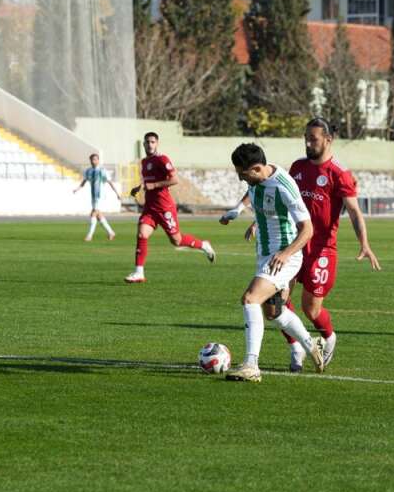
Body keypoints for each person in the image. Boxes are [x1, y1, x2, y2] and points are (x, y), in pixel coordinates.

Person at [222, 117, 381, 372]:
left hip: (316, 247)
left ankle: (317, 341)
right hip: (283, 248)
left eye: (313, 138)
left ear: (328, 140)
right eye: (305, 137)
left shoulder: (337, 173)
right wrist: (249, 216)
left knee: (304, 306)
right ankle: (302, 345)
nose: (307, 142)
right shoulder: (296, 167)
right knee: (273, 308)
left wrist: (364, 243)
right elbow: (263, 192)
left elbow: (352, 211)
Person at [221, 143, 324, 383]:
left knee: (250, 298)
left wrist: (286, 253)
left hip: (284, 257)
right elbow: (254, 191)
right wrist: (238, 210)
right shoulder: (256, 179)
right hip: (265, 255)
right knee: (274, 314)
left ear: (257, 168)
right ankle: (311, 344)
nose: (241, 179)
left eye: (243, 174)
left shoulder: (285, 186)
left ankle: (251, 364)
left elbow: (307, 230)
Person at [124, 132, 214, 283]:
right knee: (142, 234)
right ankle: (139, 272)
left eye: (153, 142)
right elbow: (149, 180)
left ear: (157, 143)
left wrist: (154, 185)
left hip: (165, 208)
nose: (150, 144)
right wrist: (139, 187)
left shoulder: (162, 159)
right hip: (150, 208)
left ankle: (203, 245)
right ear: (144, 144)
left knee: (176, 241)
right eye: (147, 142)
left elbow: (174, 179)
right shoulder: (145, 162)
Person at [74, 153, 120, 242]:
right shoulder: (88, 171)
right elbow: (84, 182)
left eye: (95, 159)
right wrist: (77, 189)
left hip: (100, 196)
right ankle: (111, 232)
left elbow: (110, 182)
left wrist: (117, 193)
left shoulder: (102, 171)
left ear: (98, 160)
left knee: (93, 213)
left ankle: (89, 236)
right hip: (93, 196)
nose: (93, 161)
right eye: (92, 159)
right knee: (99, 216)